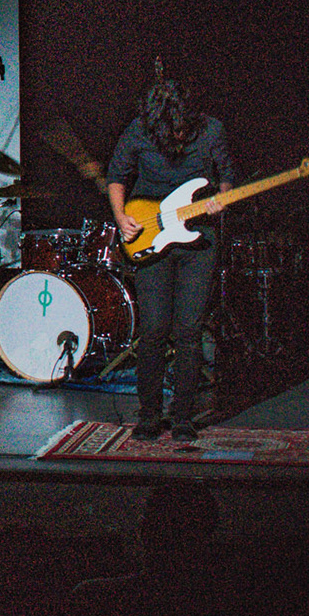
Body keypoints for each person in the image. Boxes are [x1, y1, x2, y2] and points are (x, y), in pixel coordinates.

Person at [108, 68, 234, 441]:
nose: (177, 135)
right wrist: (121, 217)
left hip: (198, 240)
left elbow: (227, 176)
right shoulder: (139, 130)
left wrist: (222, 199)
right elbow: (116, 176)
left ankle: (182, 417)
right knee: (153, 329)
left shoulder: (212, 130)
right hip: (150, 235)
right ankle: (149, 415)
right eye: (171, 131)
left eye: (181, 129)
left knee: (189, 330)